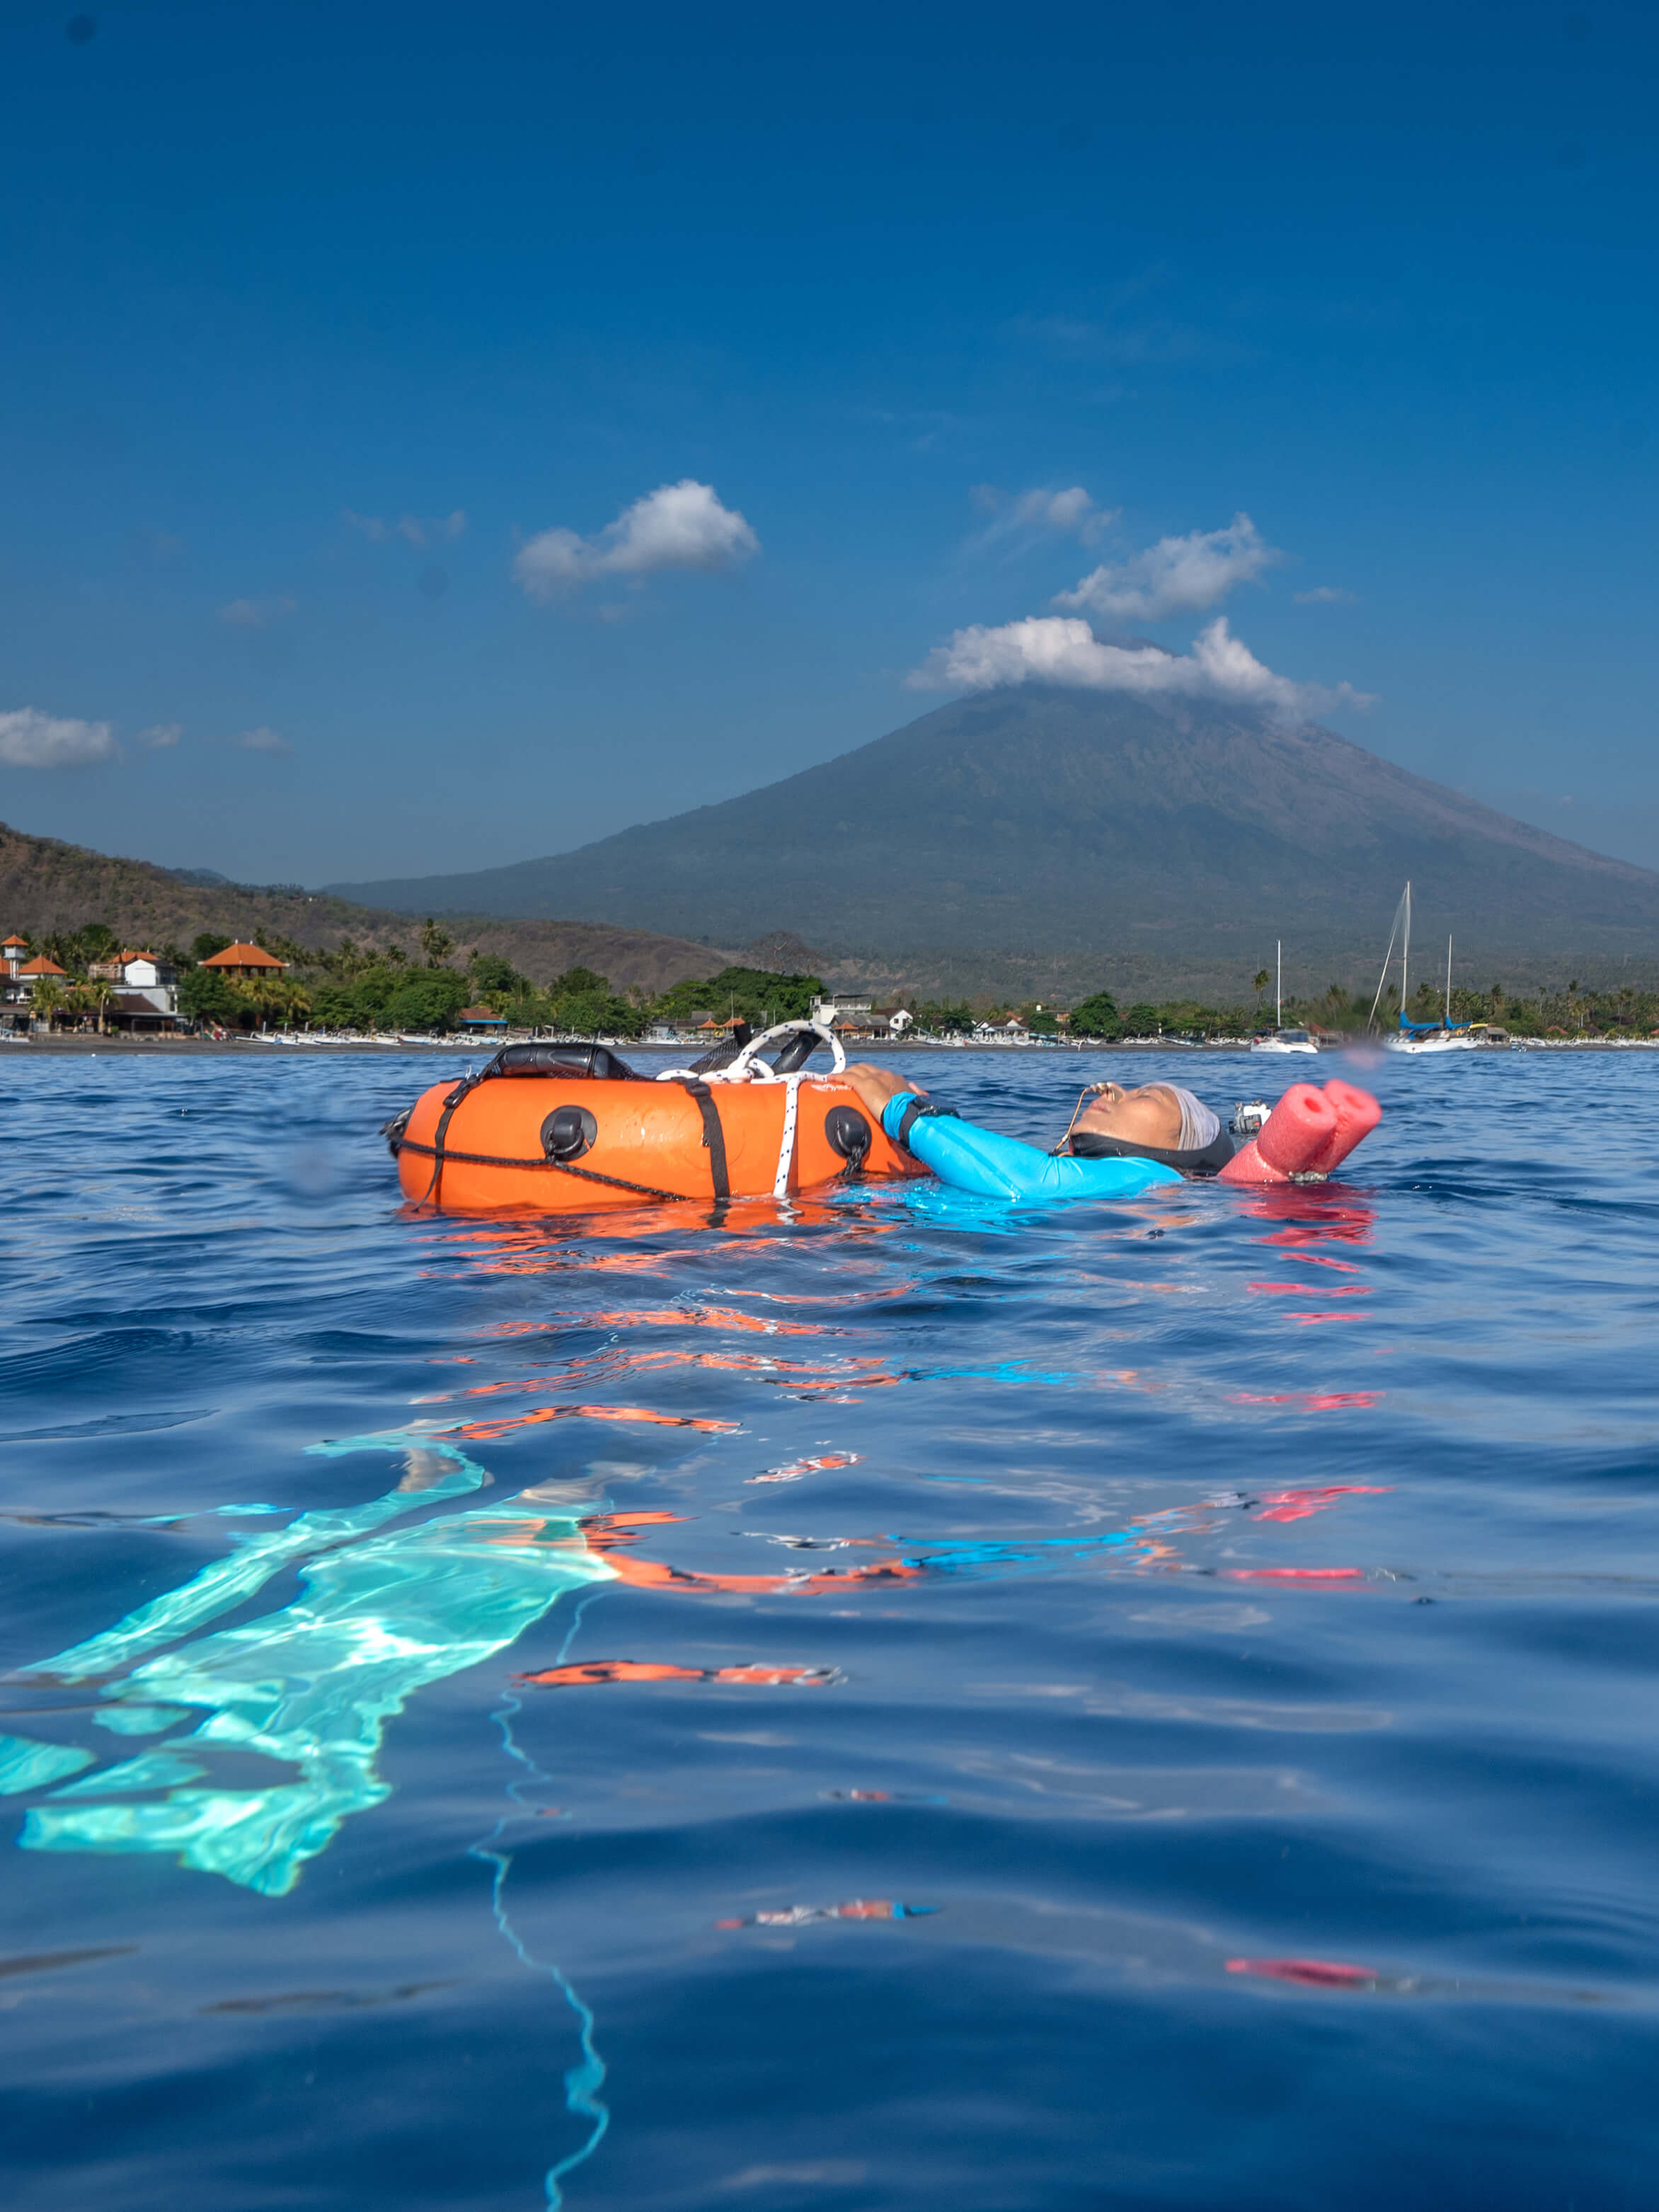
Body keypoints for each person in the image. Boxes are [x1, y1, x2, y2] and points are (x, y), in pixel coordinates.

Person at [835, 1064, 1219, 1203]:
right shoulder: (1101, 1186)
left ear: (1180, 1150)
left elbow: (1027, 1183)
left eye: (1148, 1095)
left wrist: (903, 1112)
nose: (1112, 1088)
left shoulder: (1157, 1179)